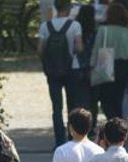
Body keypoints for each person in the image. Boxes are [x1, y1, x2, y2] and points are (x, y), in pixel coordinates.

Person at [39, 0, 85, 148]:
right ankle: (73, 138)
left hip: (53, 70)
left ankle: (59, 141)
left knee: (56, 107)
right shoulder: (75, 25)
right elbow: (79, 47)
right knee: (73, 105)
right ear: (69, 8)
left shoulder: (45, 26)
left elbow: (40, 50)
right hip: (72, 68)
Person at [92, 3, 128, 121]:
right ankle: (118, 122)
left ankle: (113, 121)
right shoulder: (127, 32)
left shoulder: (102, 30)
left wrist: (92, 66)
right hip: (123, 66)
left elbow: (96, 50)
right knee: (118, 97)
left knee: (105, 98)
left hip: (105, 63)